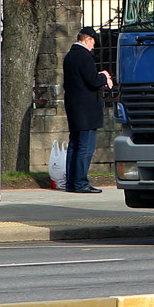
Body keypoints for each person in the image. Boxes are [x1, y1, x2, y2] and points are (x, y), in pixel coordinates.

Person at [62, 27, 112, 193]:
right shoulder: (84, 56)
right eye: (93, 43)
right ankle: (81, 182)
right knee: (86, 147)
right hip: (87, 110)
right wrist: (104, 76)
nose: (93, 47)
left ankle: (71, 182)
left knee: (74, 145)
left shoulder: (69, 56)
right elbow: (93, 81)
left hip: (74, 107)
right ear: (88, 39)